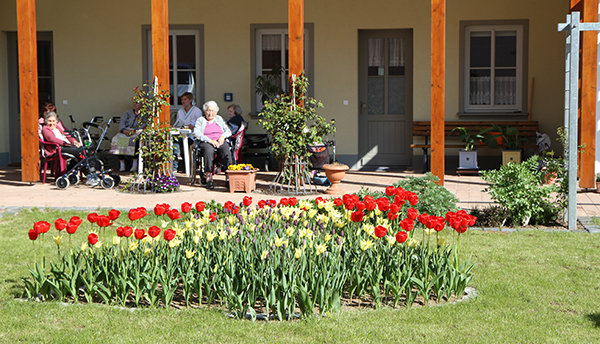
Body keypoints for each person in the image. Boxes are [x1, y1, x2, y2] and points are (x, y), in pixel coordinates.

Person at [41, 112, 98, 185]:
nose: (52, 123)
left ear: (56, 121)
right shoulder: (45, 129)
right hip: (57, 148)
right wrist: (67, 144)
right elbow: (52, 139)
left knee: (88, 150)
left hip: (65, 146)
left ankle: (89, 173)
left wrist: (75, 142)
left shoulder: (57, 127)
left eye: (53, 121)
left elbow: (67, 135)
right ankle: (90, 175)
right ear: (46, 121)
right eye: (49, 121)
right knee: (82, 152)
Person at [193, 101, 232, 189]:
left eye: (212, 111)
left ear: (216, 112)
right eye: (208, 111)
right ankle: (209, 177)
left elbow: (228, 131)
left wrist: (222, 137)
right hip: (207, 141)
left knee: (226, 149)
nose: (210, 113)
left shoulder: (219, 119)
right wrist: (210, 140)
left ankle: (229, 177)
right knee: (208, 150)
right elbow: (196, 133)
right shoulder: (201, 120)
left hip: (219, 141)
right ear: (205, 111)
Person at [173, 92, 203, 171]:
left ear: (190, 100)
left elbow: (200, 125)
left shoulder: (197, 111)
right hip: (181, 134)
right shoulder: (180, 111)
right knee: (174, 141)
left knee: (183, 142)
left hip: (192, 137)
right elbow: (178, 123)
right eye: (182, 99)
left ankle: (181, 160)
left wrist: (193, 126)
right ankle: (177, 157)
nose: (183, 101)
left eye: (185, 99)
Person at [117, 98, 144, 172]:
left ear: (142, 104)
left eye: (137, 103)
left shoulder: (144, 114)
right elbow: (122, 123)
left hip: (137, 132)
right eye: (134, 103)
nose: (135, 104)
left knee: (136, 141)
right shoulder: (127, 113)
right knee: (117, 140)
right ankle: (122, 163)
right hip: (126, 131)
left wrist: (134, 131)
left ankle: (134, 164)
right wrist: (124, 130)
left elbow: (144, 125)